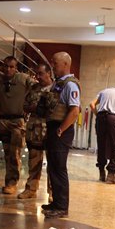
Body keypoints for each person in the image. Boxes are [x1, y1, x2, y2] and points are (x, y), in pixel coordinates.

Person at [40, 52, 80, 218]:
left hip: (61, 130)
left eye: (55, 62)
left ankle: (62, 206)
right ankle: (56, 202)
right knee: (53, 167)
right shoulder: (59, 84)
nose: (52, 65)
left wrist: (61, 130)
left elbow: (74, 111)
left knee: (59, 168)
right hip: (54, 128)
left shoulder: (71, 85)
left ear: (65, 64)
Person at [0, 56, 35, 194]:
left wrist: (29, 105)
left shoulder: (23, 79)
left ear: (16, 68)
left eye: (12, 67)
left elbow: (37, 87)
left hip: (18, 122)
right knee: (7, 154)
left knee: (15, 154)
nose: (8, 69)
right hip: (3, 122)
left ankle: (12, 183)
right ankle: (9, 181)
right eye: (6, 66)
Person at [18, 63, 54, 199]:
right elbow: (25, 105)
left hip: (50, 130)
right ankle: (31, 189)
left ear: (49, 73)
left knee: (52, 163)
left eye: (41, 73)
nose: (38, 77)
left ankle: (52, 192)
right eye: (37, 74)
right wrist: (33, 108)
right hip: (34, 130)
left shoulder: (56, 88)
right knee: (33, 161)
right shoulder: (33, 89)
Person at [89, 85, 115, 184]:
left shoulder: (104, 91)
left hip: (101, 118)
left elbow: (92, 104)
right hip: (113, 118)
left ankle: (101, 173)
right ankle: (111, 175)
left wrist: (97, 114)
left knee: (101, 145)